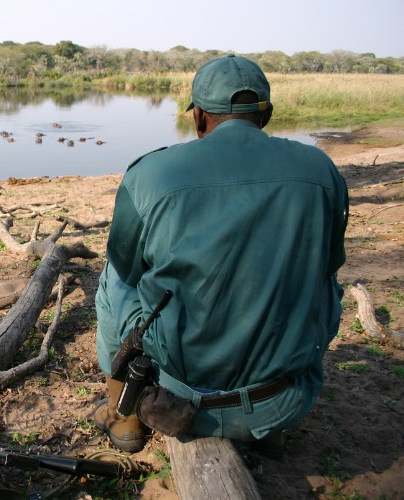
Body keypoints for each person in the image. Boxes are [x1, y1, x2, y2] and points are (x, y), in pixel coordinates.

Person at [93, 54, 348, 453]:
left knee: (113, 278)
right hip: (285, 402)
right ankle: (265, 409)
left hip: (182, 399)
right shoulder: (320, 169)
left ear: (198, 118)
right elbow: (328, 269)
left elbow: (127, 267)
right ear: (266, 115)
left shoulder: (152, 172)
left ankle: (125, 411)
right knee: (326, 281)